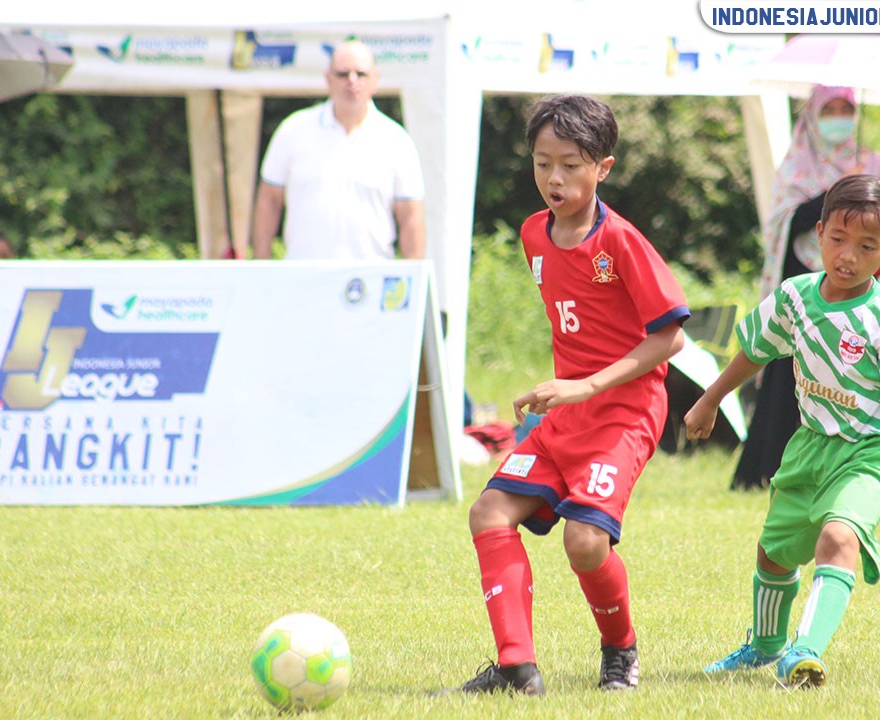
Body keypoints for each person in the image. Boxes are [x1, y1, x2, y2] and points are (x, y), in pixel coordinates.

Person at [684, 174, 880, 689]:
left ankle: (805, 652)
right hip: (811, 444)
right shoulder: (794, 298)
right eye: (838, 239)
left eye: (866, 247)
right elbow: (755, 350)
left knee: (839, 537)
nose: (847, 256)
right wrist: (709, 400)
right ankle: (765, 645)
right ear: (818, 233)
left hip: (872, 452)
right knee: (773, 550)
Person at [448, 95, 690, 695]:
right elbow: (578, 324)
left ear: (602, 168)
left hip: (624, 415)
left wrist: (584, 384)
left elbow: (670, 338)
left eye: (571, 165)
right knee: (489, 512)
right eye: (542, 163)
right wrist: (558, 390)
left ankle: (621, 651)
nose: (554, 178)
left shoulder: (621, 242)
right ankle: (516, 668)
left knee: (585, 543)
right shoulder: (534, 234)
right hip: (565, 417)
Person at [732, 85, 880, 491]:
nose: (838, 117)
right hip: (807, 284)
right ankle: (769, 468)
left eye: (846, 109)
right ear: (813, 116)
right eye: (830, 110)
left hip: (855, 295)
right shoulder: (796, 165)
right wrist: (833, 194)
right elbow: (785, 221)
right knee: (791, 376)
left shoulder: (870, 162)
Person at [251, 40, 425, 260]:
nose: (352, 81)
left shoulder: (397, 140)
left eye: (360, 74)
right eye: (343, 74)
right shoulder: (293, 130)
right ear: (328, 79)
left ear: (375, 80)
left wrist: (412, 280)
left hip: (371, 279)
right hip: (303, 278)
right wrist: (262, 261)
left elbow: (411, 218)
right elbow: (269, 200)